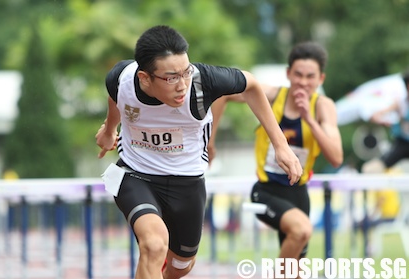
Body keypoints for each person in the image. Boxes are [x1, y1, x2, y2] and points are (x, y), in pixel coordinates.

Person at [95, 25, 302, 279]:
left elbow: (251, 86)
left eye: (186, 72)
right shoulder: (121, 78)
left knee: (181, 267)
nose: (182, 85)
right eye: (171, 77)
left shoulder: (203, 81)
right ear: (145, 78)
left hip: (187, 181)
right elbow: (115, 97)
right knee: (154, 244)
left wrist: (281, 146)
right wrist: (109, 129)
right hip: (137, 174)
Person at [211, 41, 343, 272]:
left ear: (320, 79)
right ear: (288, 73)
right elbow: (223, 92)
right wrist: (209, 142)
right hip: (266, 189)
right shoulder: (272, 96)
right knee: (301, 230)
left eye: (310, 76)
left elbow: (336, 158)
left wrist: (309, 119)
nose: (303, 82)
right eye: (298, 75)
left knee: (296, 272)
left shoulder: (323, 107)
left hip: (299, 193)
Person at [361, 70, 409, 173]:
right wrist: (381, 120)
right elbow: (378, 114)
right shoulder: (401, 102)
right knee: (374, 168)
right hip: (402, 143)